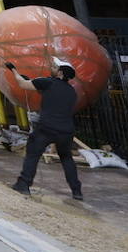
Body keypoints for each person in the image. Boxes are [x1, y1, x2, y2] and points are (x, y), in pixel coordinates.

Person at [8, 59, 84, 200]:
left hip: (46, 128)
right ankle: (77, 191)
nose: (52, 68)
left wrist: (13, 70)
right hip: (66, 131)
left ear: (60, 72)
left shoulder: (47, 82)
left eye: (54, 67)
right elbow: (52, 96)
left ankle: (23, 184)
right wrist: (34, 82)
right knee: (66, 158)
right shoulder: (72, 92)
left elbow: (22, 84)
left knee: (33, 154)